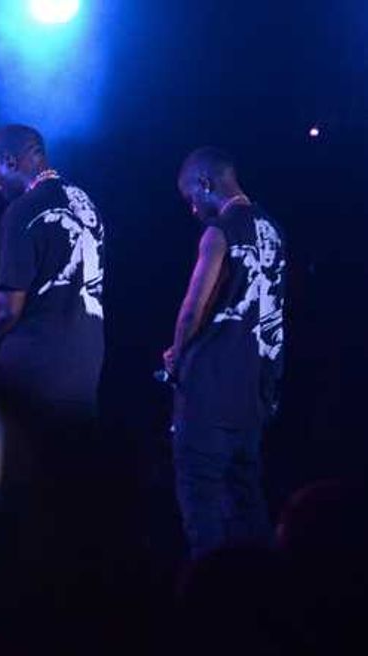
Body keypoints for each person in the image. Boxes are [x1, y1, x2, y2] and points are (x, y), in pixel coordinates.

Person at [165, 147, 286, 558]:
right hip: (251, 393)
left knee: (201, 505)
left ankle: (211, 592)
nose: (193, 210)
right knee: (248, 506)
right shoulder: (273, 231)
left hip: (209, 389)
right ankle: (262, 590)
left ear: (205, 184)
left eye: (191, 199)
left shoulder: (219, 232)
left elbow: (192, 308)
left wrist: (176, 355)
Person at [0, 124, 105, 428]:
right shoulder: (86, 203)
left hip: (33, 372)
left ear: (10, 162)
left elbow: (6, 309)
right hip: (85, 366)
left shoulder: (23, 210)